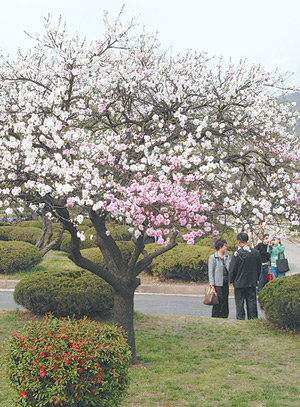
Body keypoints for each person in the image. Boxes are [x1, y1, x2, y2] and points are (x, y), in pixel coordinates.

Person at [229, 232, 261, 320]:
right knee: (251, 301)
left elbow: (233, 269)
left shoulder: (237, 254)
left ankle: (240, 318)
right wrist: (257, 278)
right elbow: (259, 267)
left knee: (239, 302)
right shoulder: (256, 253)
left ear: (239, 241)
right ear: (247, 240)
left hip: (239, 282)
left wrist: (231, 280)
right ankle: (253, 318)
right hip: (251, 281)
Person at [208, 238, 231, 318]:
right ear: (220, 246)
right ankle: (216, 315)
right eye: (225, 246)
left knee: (225, 299)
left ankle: (224, 315)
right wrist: (211, 283)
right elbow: (210, 271)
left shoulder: (227, 257)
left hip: (225, 281)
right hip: (217, 282)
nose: (226, 247)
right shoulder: (213, 257)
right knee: (218, 299)